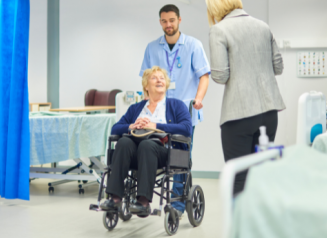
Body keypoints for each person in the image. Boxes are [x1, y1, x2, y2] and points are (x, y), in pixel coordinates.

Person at [205, 0, 286, 195]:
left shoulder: (219, 30)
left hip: (239, 113)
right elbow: (279, 67)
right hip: (269, 112)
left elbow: (220, 75)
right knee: (261, 172)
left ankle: (240, 225)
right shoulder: (263, 26)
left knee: (238, 177)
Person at [139, 4, 210, 215]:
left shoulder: (193, 45)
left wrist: (198, 99)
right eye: (164, 21)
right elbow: (145, 82)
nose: (168, 25)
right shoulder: (152, 48)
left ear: (179, 20)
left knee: (179, 157)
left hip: (183, 114)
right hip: (158, 114)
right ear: (160, 22)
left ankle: (178, 205)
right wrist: (146, 104)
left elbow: (204, 76)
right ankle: (146, 196)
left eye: (171, 20)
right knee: (158, 154)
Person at [100, 66, 192, 217]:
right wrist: (132, 126)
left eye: (162, 78)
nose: (159, 80)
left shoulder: (176, 105)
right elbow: (115, 129)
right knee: (123, 142)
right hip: (136, 153)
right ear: (146, 86)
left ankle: (143, 202)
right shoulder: (136, 108)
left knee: (147, 144)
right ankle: (115, 199)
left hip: (163, 152)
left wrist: (155, 126)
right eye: (154, 78)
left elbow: (187, 128)